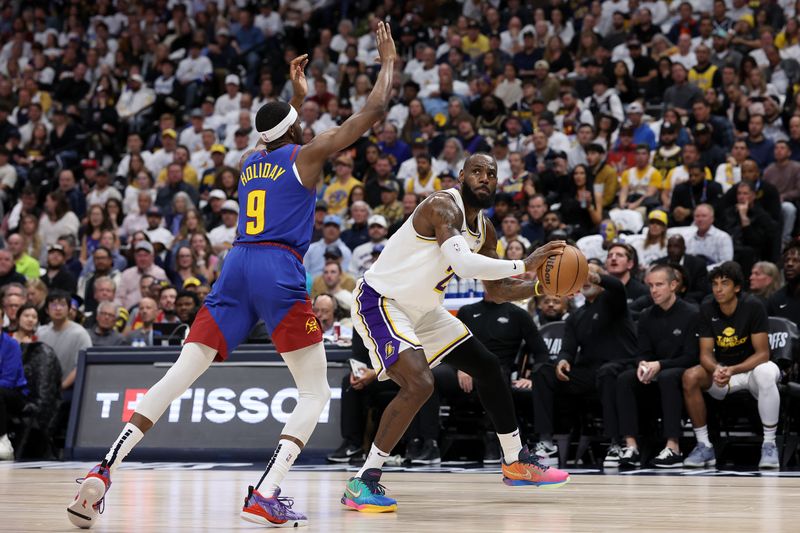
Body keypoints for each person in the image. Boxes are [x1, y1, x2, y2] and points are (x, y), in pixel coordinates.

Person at [68, 23, 398, 529]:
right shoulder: (306, 155)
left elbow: (278, 134)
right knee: (313, 392)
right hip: (278, 269)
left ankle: (104, 468)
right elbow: (371, 113)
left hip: (237, 265)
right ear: (294, 130)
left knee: (180, 374)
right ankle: (265, 493)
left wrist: (294, 97)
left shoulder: (248, 163)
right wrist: (388, 61)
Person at [344, 152, 570, 513]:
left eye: (492, 173)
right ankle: (363, 481)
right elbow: (463, 265)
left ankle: (515, 461)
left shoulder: (486, 229)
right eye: (477, 171)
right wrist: (525, 264)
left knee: (487, 366)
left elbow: (497, 291)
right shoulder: (441, 206)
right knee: (420, 384)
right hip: (382, 301)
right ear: (462, 175)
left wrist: (542, 288)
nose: (484, 177)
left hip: (424, 309)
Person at [681, 262, 780, 469]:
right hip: (724, 373)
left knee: (767, 372)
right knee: (690, 376)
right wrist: (717, 369)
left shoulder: (754, 306)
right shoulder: (707, 307)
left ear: (736, 287)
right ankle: (704, 445)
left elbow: (763, 354)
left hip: (752, 371)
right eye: (715, 284)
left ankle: (769, 445)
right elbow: (705, 353)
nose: (718, 289)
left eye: (724, 283)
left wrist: (732, 369)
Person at [615, 265, 700, 468]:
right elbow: (642, 352)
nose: (653, 290)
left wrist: (659, 365)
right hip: (655, 371)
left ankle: (673, 446)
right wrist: (642, 365)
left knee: (668, 376)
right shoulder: (645, 315)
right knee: (625, 378)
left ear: (673, 285)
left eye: (659, 285)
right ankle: (631, 445)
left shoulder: (692, 313)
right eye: (650, 285)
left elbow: (691, 357)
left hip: (682, 371)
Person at [0, 303, 26, 460]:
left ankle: (2, 439)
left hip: (14, 394)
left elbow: (9, 380)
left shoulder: (11, 344)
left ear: (2, 322)